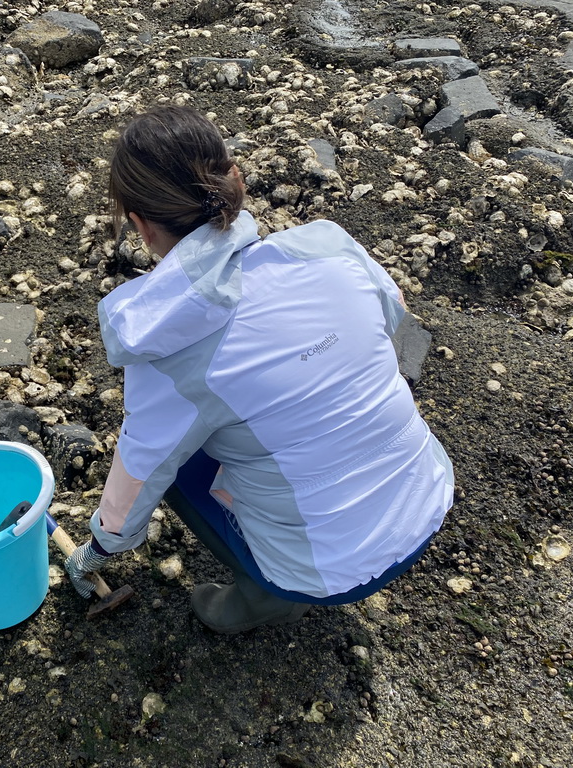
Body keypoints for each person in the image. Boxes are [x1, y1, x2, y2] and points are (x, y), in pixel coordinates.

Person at [64, 105, 454, 633]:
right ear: (235, 179)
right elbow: (394, 317)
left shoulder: (170, 347)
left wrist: (99, 547)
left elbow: (140, 474)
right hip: (427, 494)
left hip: (329, 568)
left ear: (140, 224)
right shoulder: (329, 246)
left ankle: (262, 599)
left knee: (170, 461)